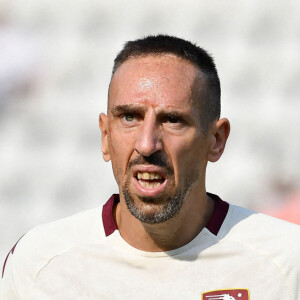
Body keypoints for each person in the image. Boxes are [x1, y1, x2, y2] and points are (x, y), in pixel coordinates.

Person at [1, 35, 299, 300]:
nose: (146, 144)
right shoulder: (38, 263)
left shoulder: (286, 262)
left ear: (216, 140)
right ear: (105, 136)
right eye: (129, 117)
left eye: (172, 120)